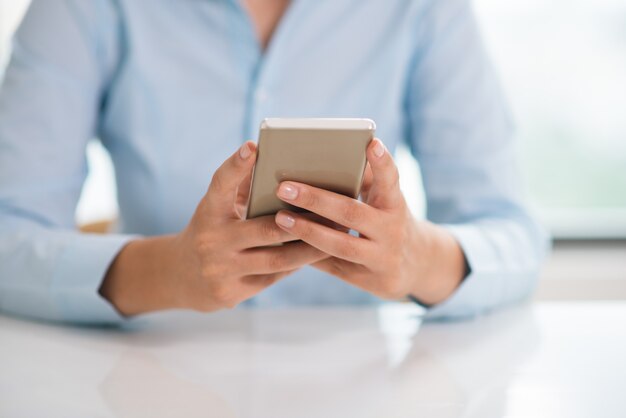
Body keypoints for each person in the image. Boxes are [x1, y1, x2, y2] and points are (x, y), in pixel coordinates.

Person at [0, 0, 549, 324]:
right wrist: (166, 273)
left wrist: (415, 259)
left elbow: (513, 235)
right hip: (145, 376)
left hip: (358, 385)